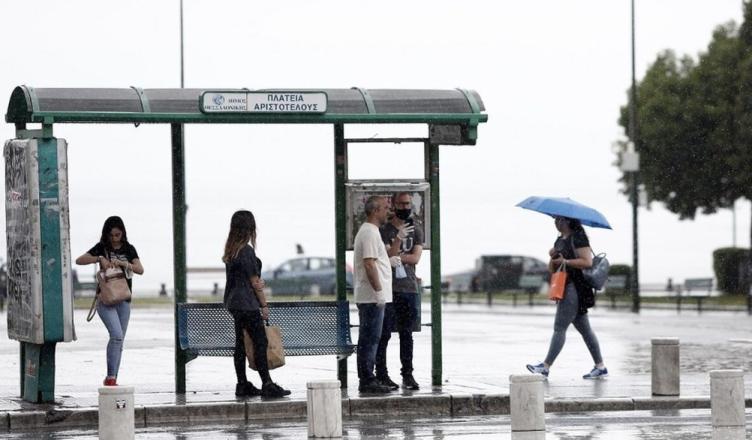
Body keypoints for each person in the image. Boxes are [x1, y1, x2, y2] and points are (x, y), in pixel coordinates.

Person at [526, 216, 608, 379]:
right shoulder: (559, 241)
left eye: (561, 220)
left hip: (576, 287)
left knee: (559, 327)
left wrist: (566, 260)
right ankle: (600, 367)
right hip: (565, 286)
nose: (557, 223)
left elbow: (587, 262)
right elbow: (552, 269)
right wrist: (553, 256)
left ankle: (546, 366)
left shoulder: (578, 237)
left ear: (570, 221)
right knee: (585, 330)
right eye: (555, 220)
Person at [222, 210, 290, 398]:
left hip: (234, 303)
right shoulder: (246, 250)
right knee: (261, 342)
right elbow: (254, 282)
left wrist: (259, 282)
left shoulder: (231, 251)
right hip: (248, 303)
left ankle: (242, 384)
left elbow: (245, 279)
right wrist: (264, 306)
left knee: (241, 345)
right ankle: (267, 384)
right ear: (250, 228)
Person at [75, 216, 144, 386]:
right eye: (111, 235)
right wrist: (99, 258)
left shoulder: (129, 249)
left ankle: (112, 378)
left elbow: (140, 269)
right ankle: (111, 377)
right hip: (105, 300)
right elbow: (79, 260)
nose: (114, 239)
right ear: (107, 234)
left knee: (119, 341)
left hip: (123, 300)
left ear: (122, 233)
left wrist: (123, 263)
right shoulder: (102, 248)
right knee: (116, 335)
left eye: (117, 235)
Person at [376, 192, 423, 390]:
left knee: (406, 334)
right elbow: (388, 256)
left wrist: (398, 257)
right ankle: (382, 374)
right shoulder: (384, 229)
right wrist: (398, 244)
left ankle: (408, 374)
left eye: (408, 204)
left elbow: (415, 258)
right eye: (401, 204)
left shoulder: (417, 230)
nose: (405, 207)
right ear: (393, 205)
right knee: (384, 333)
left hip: (408, 288)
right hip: (389, 288)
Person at [354, 195, 398, 393]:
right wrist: (379, 291)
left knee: (371, 338)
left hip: (374, 296)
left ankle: (369, 377)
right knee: (370, 339)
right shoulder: (370, 233)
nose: (388, 211)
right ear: (375, 211)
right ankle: (367, 379)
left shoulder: (372, 232)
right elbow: (369, 263)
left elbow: (376, 262)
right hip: (372, 297)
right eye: (385, 208)